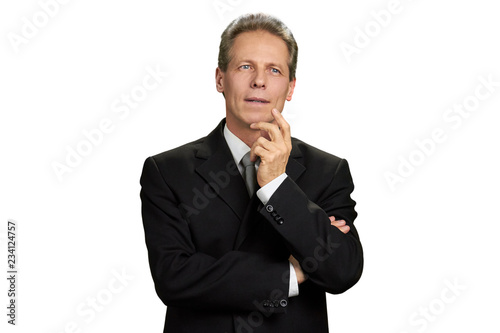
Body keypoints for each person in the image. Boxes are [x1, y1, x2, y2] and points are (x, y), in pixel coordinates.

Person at [140, 13, 363, 333]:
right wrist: (290, 275)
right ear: (220, 78)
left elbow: (342, 271)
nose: (259, 80)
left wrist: (276, 184)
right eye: (245, 66)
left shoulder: (327, 171)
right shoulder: (167, 171)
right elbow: (173, 278)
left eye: (274, 70)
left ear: (290, 87)